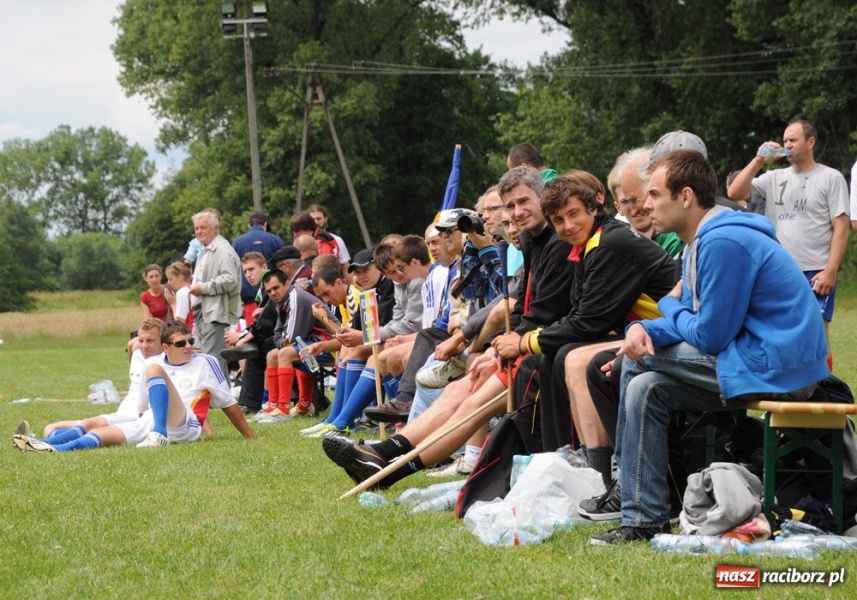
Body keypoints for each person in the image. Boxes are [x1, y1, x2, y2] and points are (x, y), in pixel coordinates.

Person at [587, 149, 828, 545]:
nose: (646, 204)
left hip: (784, 370)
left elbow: (709, 335)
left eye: (654, 194)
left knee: (635, 364)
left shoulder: (723, 241)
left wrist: (664, 309)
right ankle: (644, 517)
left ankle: (631, 499)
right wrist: (645, 328)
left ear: (685, 197)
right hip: (752, 359)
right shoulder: (699, 241)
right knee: (646, 387)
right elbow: (693, 321)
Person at [321, 165, 576, 487]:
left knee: (471, 401)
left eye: (524, 202)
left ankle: (389, 471)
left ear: (543, 197)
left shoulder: (557, 243)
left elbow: (537, 312)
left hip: (544, 352)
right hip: (524, 343)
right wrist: (490, 345)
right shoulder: (532, 242)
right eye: (510, 207)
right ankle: (382, 452)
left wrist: (494, 347)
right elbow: (518, 308)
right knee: (458, 388)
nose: (517, 213)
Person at [16, 322, 256, 452]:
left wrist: (250, 436)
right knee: (97, 435)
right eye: (181, 343)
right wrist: (134, 422)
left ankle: (159, 435)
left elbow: (228, 402)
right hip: (149, 419)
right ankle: (45, 446)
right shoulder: (154, 362)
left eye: (190, 341)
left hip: (186, 424)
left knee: (153, 370)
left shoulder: (205, 361)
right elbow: (142, 405)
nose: (188, 346)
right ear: (166, 348)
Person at [727, 120, 849, 370]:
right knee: (780, 334)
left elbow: (841, 226)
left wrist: (831, 270)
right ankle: (791, 388)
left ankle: (827, 390)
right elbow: (735, 193)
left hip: (816, 270)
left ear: (810, 142)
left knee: (817, 336)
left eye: (793, 140)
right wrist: (759, 161)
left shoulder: (830, 177)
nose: (787, 145)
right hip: (780, 270)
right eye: (785, 141)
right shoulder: (774, 178)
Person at [12, 318, 165, 451]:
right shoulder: (138, 355)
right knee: (50, 428)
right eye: (141, 340)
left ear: (163, 342)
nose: (144, 345)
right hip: (124, 410)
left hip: (137, 416)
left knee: (91, 425)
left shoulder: (164, 362)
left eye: (150, 341)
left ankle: (40, 444)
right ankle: (41, 440)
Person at [254, 270, 337, 423]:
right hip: (311, 342)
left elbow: (292, 337)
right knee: (272, 355)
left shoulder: (295, 297)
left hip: (331, 344)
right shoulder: (281, 301)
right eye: (269, 291)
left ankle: (283, 410)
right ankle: (274, 407)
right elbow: (278, 333)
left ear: (287, 283)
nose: (272, 293)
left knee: (285, 354)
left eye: (276, 288)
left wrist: (283, 341)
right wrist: (282, 342)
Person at [189, 209, 242, 379]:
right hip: (204, 311)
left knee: (212, 359)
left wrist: (203, 288)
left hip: (216, 312)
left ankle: (216, 393)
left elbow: (230, 279)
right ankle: (221, 391)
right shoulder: (204, 250)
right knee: (212, 358)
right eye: (197, 228)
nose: (199, 231)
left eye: (203, 227)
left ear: (216, 228)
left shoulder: (223, 250)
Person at [232, 211, 285, 324]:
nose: (248, 273)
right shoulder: (276, 240)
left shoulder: (237, 242)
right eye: (246, 271)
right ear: (265, 224)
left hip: (248, 300)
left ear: (249, 225)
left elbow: (233, 272)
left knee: (253, 329)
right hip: (274, 298)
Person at [308, 203, 352, 277]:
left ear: (325, 219)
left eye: (319, 219)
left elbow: (345, 267)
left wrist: (353, 284)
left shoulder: (337, 240)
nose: (316, 222)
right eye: (313, 220)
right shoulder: (303, 242)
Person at [165, 261, 195, 329]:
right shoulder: (192, 288)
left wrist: (173, 304)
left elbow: (180, 322)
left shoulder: (182, 292)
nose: (168, 283)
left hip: (189, 331)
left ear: (180, 277)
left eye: (170, 279)